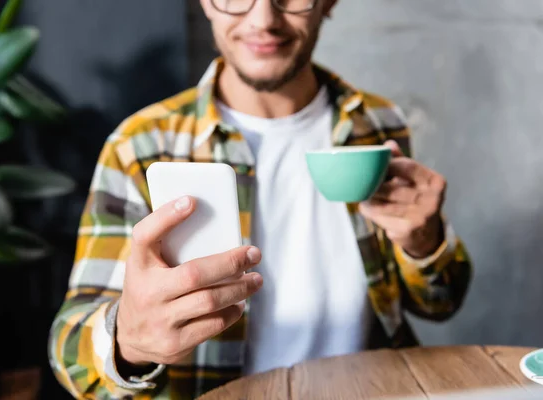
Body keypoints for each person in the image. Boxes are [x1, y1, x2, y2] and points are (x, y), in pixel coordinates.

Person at [49, 0, 472, 398]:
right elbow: (69, 347)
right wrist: (127, 339)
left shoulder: (380, 126)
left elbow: (441, 303)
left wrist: (425, 242)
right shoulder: (140, 147)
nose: (263, 19)